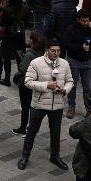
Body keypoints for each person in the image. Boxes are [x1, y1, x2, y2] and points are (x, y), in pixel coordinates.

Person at [18, 38, 74, 171]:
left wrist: (65, 89)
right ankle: (25, 156)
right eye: (53, 50)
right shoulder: (36, 63)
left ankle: (55, 156)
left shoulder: (64, 64)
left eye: (58, 51)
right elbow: (27, 82)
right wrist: (45, 85)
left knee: (56, 133)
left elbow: (70, 81)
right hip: (39, 104)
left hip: (57, 105)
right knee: (32, 131)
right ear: (46, 50)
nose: (56, 53)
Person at [62, 10, 91, 119]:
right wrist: (80, 47)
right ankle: (71, 107)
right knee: (72, 84)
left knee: (88, 87)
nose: (85, 23)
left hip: (88, 61)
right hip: (74, 61)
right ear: (78, 20)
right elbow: (66, 44)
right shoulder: (71, 29)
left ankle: (89, 108)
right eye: (83, 21)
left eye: (87, 20)